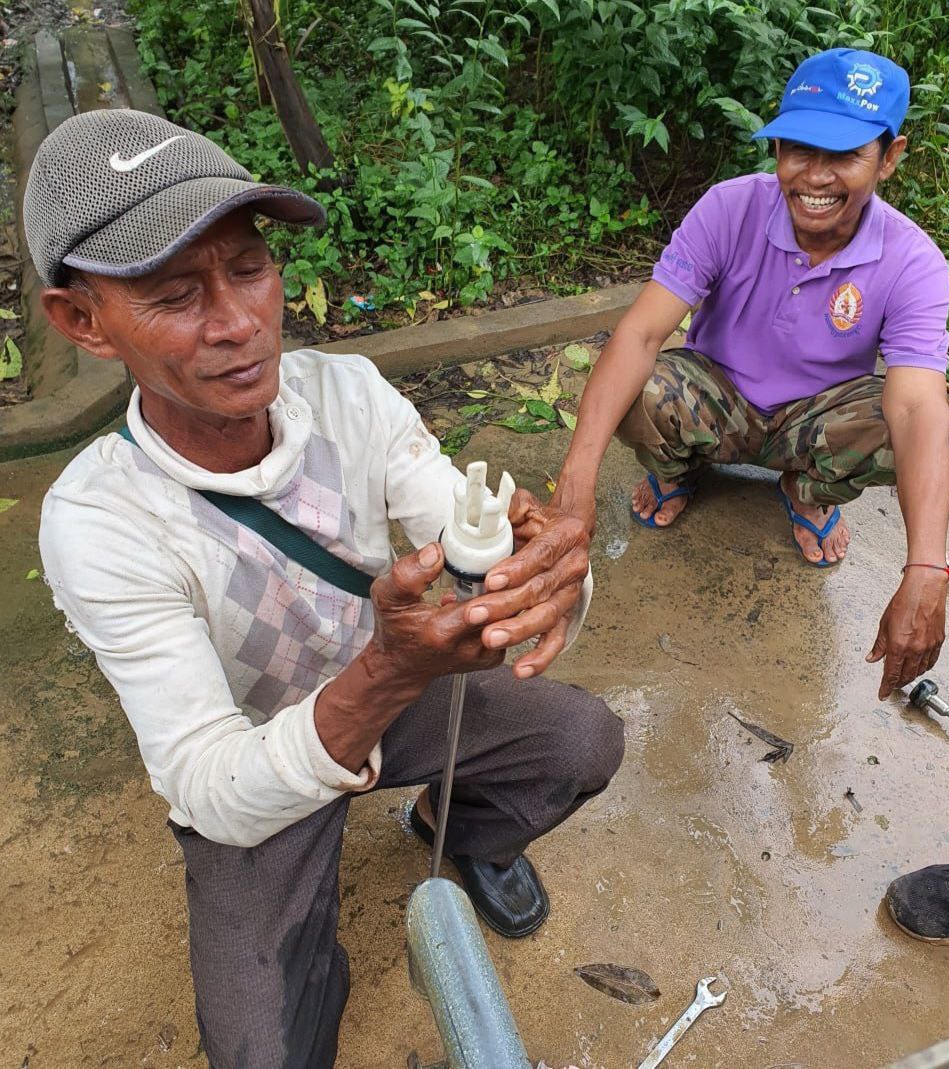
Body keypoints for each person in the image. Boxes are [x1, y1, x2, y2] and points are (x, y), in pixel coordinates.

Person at [28, 109, 624, 1068]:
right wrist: (387, 674)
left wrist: (544, 576)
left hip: (391, 691)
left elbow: (465, 534)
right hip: (258, 765)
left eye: (251, 268)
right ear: (82, 321)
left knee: (581, 740)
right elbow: (208, 784)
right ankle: (310, 949)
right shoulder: (99, 521)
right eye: (177, 292)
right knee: (267, 1052)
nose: (238, 323)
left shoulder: (349, 395)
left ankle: (449, 825)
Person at [552, 47, 949, 947]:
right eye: (795, 148)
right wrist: (577, 480)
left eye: (843, 154)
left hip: (809, 421)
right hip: (722, 396)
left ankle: (810, 491)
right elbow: (641, 329)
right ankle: (682, 469)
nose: (812, 176)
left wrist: (926, 568)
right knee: (646, 384)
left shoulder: (915, 261)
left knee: (908, 419)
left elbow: (921, 403)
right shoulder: (732, 206)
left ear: (889, 157)